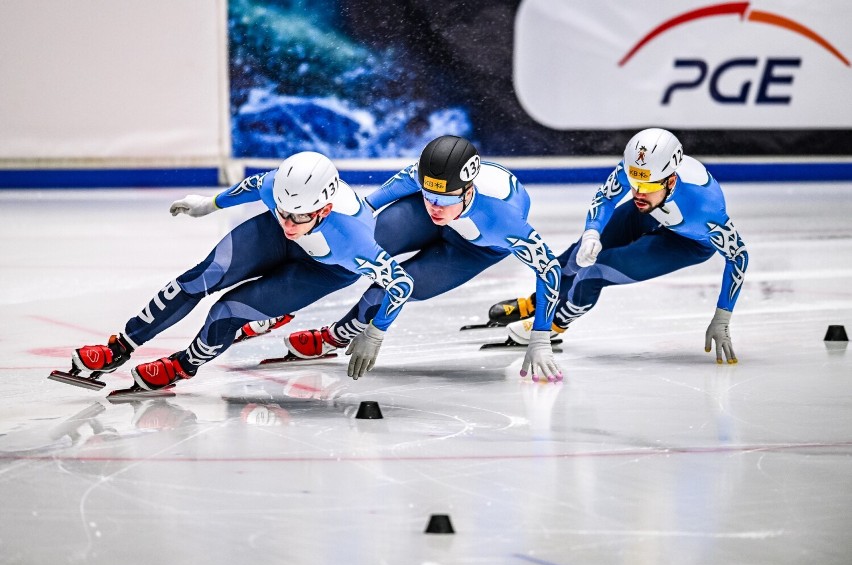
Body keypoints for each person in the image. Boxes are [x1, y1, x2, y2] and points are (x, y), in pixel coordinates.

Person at [66, 151, 414, 392]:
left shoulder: (353, 239)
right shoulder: (281, 191)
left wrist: (376, 331)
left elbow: (400, 283)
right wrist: (209, 204)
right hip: (276, 240)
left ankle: (183, 365)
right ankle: (120, 347)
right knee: (201, 277)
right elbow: (251, 186)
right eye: (283, 211)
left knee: (226, 312)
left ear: (323, 210)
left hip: (324, 269)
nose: (290, 223)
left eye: (299, 217)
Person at [254, 135, 564, 382]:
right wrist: (362, 213)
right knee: (359, 242)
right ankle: (278, 304)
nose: (435, 206)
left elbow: (549, 269)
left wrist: (540, 337)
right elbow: (386, 196)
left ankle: (334, 336)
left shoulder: (502, 218)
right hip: (422, 221)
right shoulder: (432, 184)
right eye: (429, 195)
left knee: (386, 291)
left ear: (468, 190)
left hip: (471, 249)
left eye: (443, 199)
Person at [488, 128, 748, 364]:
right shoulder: (639, 169)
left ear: (670, 181)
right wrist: (592, 233)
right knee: (580, 253)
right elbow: (606, 197)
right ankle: (538, 302)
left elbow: (738, 256)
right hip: (653, 212)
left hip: (686, 242)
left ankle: (556, 325)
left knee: (596, 272)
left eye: (646, 186)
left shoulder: (704, 209)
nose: (637, 194)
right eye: (634, 185)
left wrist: (722, 318)